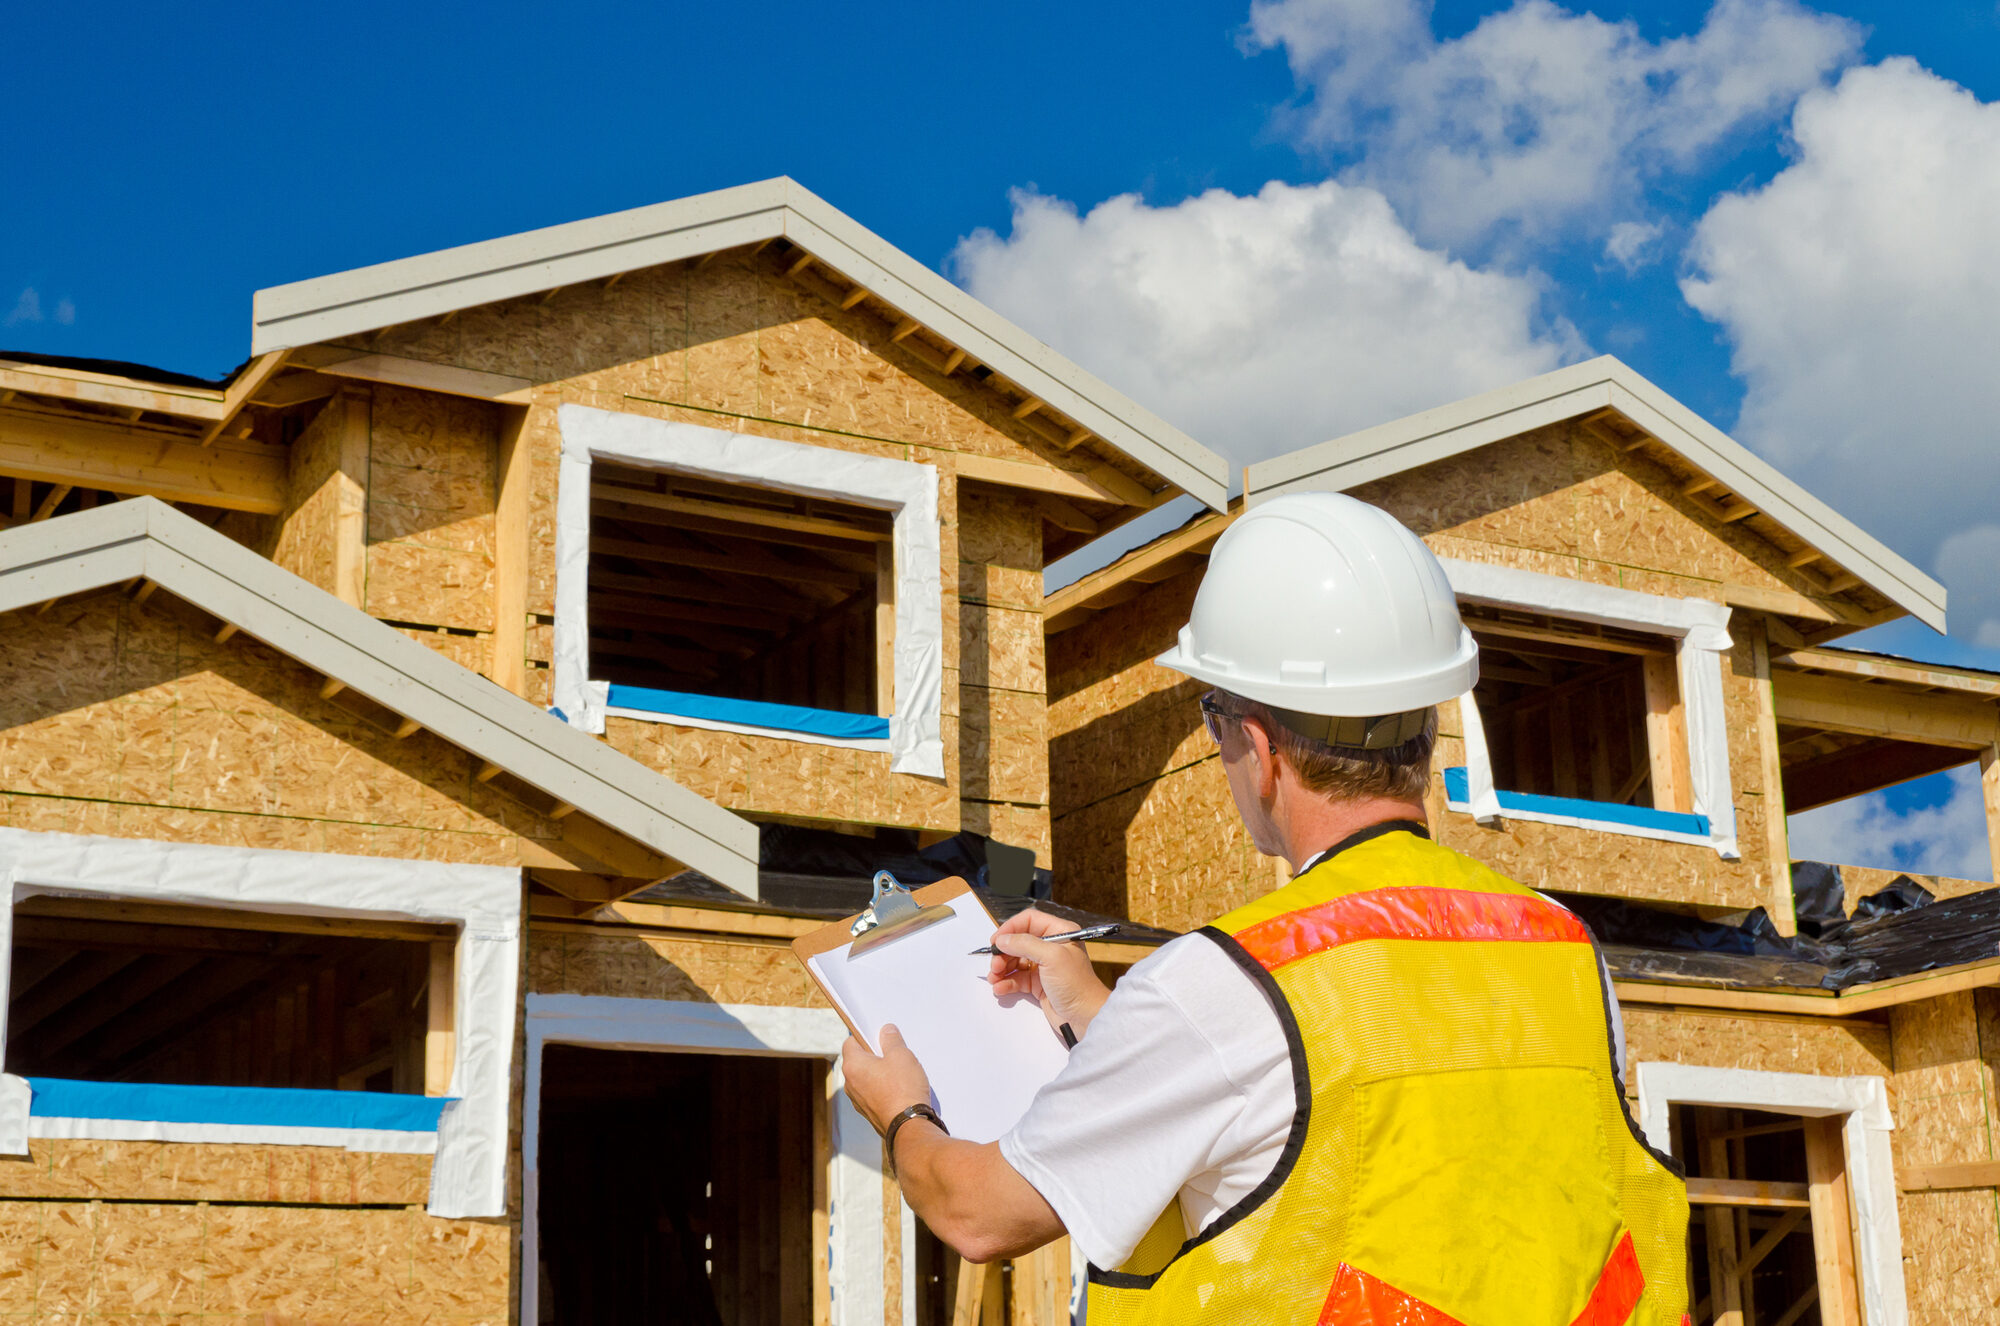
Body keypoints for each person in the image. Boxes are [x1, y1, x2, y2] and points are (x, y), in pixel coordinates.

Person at [842, 492, 1690, 1323]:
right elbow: (1323, 1116)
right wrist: (1098, 1011)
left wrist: (902, 1109)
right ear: (1426, 728)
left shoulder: (1226, 982)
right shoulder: (1559, 944)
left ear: (1257, 744)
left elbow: (978, 1214)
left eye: (1214, 723)